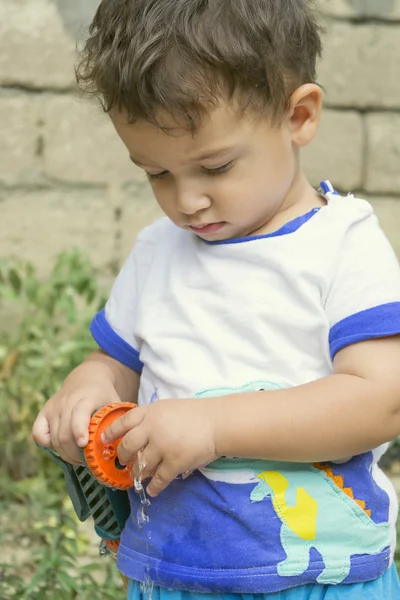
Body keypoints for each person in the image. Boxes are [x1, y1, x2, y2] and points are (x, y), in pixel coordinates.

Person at [32, 0, 400, 598]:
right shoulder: (158, 250)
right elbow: (118, 363)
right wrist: (89, 389)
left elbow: (380, 400)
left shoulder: (342, 243)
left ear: (299, 116)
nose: (188, 202)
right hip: (169, 573)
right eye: (157, 174)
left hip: (319, 574)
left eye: (216, 166)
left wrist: (214, 425)